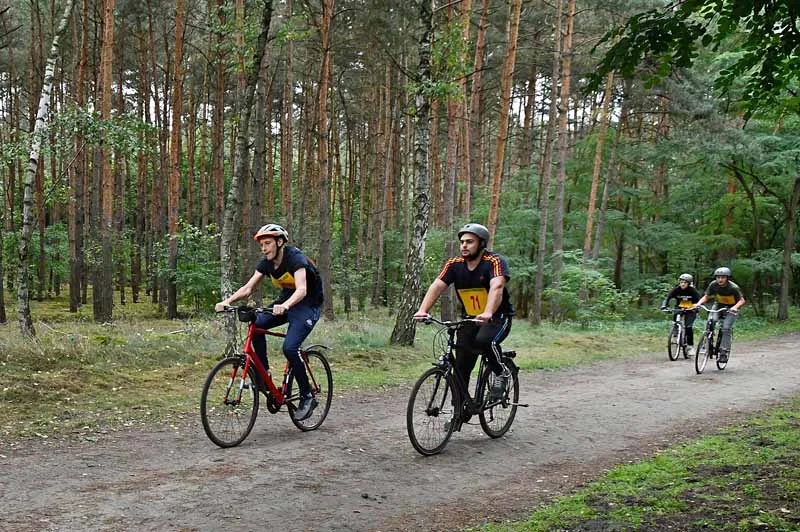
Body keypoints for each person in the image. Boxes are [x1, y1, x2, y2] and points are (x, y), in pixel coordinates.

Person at [215, 223, 324, 420]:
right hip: (287, 301)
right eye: (262, 245)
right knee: (257, 325)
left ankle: (307, 395)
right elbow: (248, 288)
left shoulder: (295, 258)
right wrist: (227, 301)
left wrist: (286, 306)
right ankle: (264, 375)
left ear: (279, 242)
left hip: (308, 305)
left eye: (267, 243)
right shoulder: (266, 263)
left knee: (290, 348)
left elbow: (302, 289)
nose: (264, 248)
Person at [413, 223, 514, 400]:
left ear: (481, 244)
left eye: (470, 242)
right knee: (460, 365)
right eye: (462, 242)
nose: (464, 246)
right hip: (470, 319)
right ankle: (461, 409)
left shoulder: (494, 261)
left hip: (497, 317)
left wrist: (488, 312)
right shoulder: (454, 264)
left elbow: (497, 286)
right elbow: (437, 286)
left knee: (484, 341)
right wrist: (423, 310)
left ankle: (500, 373)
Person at [691, 267, 745, 363]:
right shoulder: (713, 285)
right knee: (710, 321)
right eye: (718, 277)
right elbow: (706, 296)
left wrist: (735, 307)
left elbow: (742, 300)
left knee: (726, 328)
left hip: (731, 309)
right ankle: (706, 343)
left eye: (723, 277)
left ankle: (723, 352)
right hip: (718, 306)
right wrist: (698, 304)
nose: (720, 279)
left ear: (727, 278)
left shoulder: (733, 287)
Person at [660, 273, 701, 353]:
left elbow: (699, 301)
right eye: (681, 282)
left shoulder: (693, 291)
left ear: (689, 283)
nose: (682, 284)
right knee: (675, 318)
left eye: (685, 282)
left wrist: (696, 307)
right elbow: (668, 297)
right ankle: (675, 333)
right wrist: (664, 305)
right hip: (680, 307)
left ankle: (690, 346)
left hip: (691, 309)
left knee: (688, 327)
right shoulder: (677, 289)